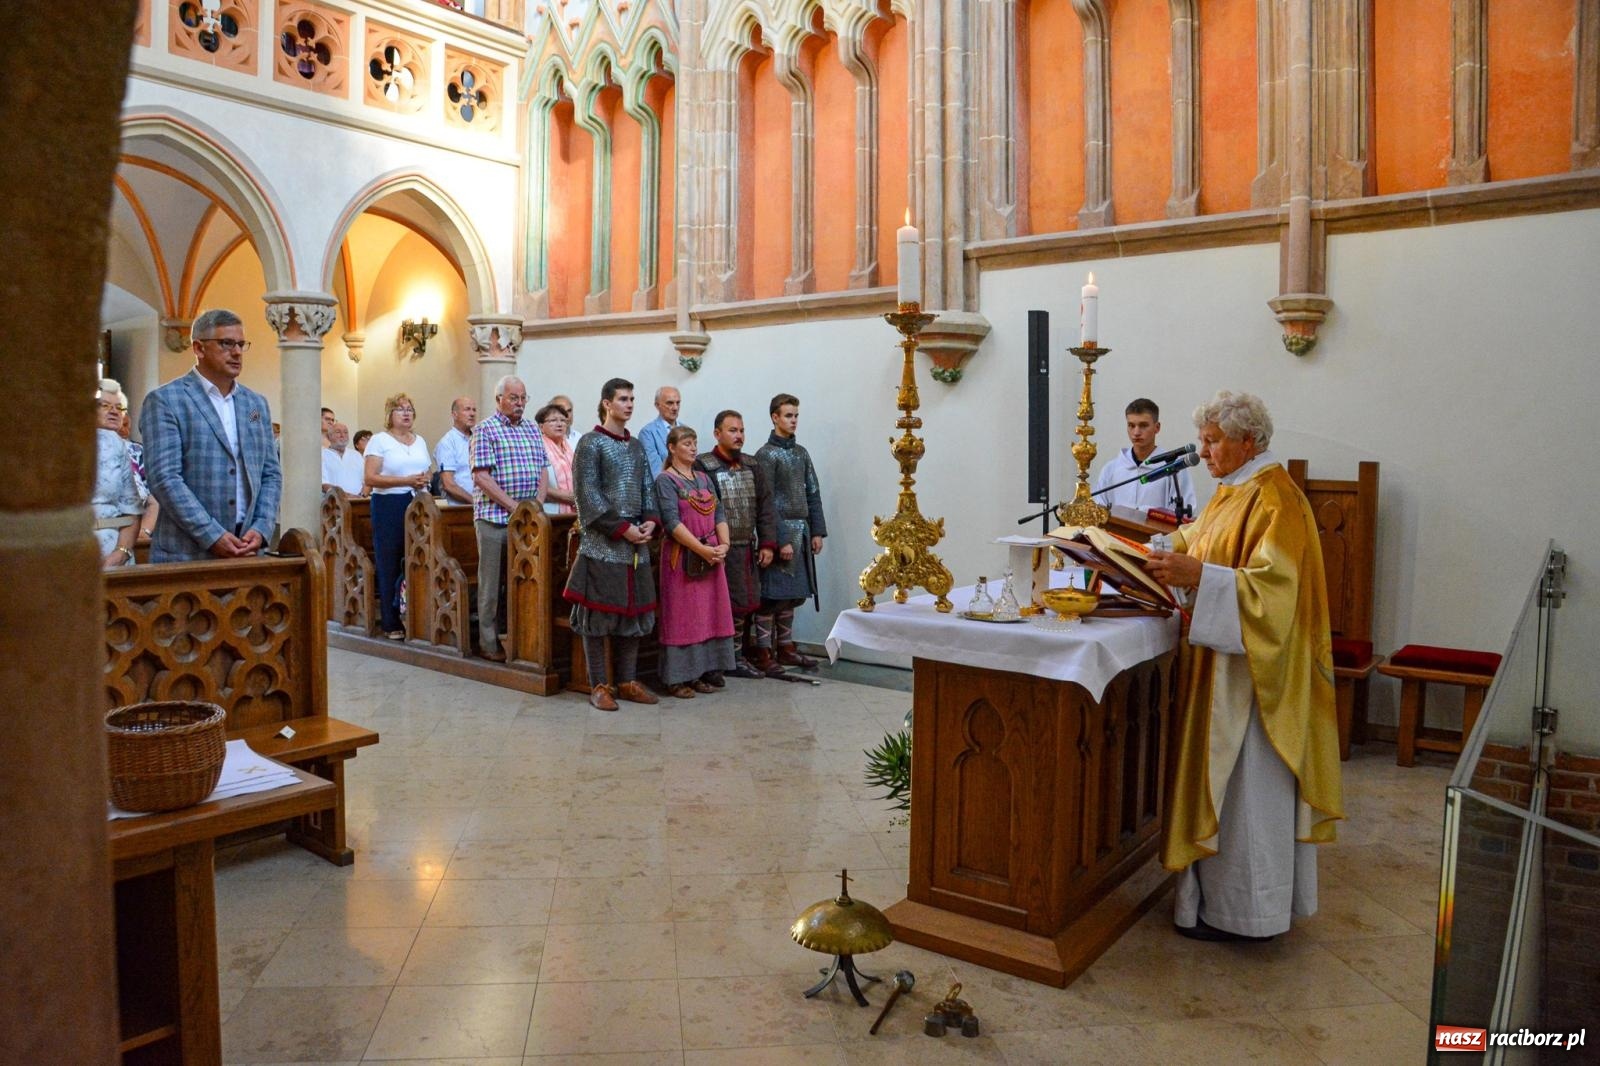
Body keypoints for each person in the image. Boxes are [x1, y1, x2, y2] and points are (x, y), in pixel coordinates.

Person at [1145, 390, 1343, 942]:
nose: (1203, 453)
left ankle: (1249, 915)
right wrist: (1161, 551)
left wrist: (1196, 576)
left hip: (1255, 686)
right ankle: (1208, 903)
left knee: (1248, 799)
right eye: (1203, 441)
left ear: (1248, 441)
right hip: (1220, 673)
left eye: (1213, 441)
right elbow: (1199, 542)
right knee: (1226, 793)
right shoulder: (1232, 492)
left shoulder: (1277, 497)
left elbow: (1275, 594)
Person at [140, 307, 281, 562]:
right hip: (187, 553)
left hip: (248, 549)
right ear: (199, 348)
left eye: (240, 344)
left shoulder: (255, 405)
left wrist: (261, 527)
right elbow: (164, 478)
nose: (237, 352)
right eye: (226, 343)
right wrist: (211, 534)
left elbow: (270, 473)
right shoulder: (166, 401)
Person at [563, 378, 660, 711]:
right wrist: (620, 529)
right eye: (623, 399)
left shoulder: (635, 446)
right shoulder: (590, 444)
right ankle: (599, 684)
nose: (630, 404)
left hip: (635, 544)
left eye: (633, 398)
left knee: (632, 615)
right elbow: (587, 495)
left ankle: (627, 680)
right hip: (603, 543)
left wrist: (649, 520)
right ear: (607, 403)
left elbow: (647, 487)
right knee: (598, 618)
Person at [655, 425, 736, 697]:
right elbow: (671, 521)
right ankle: (678, 678)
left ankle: (702, 672)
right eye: (687, 443)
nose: (692, 448)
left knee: (708, 615)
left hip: (712, 554)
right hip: (683, 557)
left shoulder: (703, 477)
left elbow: (719, 511)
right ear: (672, 448)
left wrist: (723, 545)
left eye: (694, 442)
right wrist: (701, 550)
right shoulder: (665, 480)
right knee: (683, 616)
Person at [470, 376, 547, 662]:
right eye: (514, 398)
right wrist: (515, 507)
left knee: (523, 581)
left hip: (527, 521)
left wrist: (536, 505)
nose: (519, 403)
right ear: (499, 399)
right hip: (494, 519)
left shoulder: (531, 428)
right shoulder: (485, 429)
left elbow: (542, 468)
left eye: (523, 398)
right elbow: (481, 477)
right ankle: (488, 642)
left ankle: (520, 637)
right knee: (491, 583)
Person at [696, 409, 777, 679]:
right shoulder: (703, 465)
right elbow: (705, 509)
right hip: (717, 549)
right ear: (717, 433)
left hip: (746, 546)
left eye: (741, 430)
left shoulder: (753, 465)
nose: (739, 435)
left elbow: (765, 506)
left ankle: (739, 655)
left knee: (746, 602)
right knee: (724, 603)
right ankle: (724, 658)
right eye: (733, 430)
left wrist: (767, 543)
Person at [752, 393, 827, 672]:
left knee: (792, 597)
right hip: (780, 533)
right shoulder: (765, 455)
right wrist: (780, 538)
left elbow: (813, 493)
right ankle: (763, 652)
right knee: (772, 597)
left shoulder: (801, 453)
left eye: (796, 415)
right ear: (775, 417)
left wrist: (817, 531)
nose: (793, 420)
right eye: (788, 415)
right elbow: (766, 502)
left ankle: (785, 647)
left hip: (803, 531)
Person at [363, 393, 430, 639]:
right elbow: (370, 478)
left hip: (418, 501)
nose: (406, 413)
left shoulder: (419, 440)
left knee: (416, 557)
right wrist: (406, 480)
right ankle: (390, 622)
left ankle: (416, 615)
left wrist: (423, 482)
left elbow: (426, 469)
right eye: (400, 409)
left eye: (410, 409)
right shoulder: (380, 441)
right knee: (390, 559)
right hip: (389, 503)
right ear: (389, 415)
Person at [1094, 398, 1196, 517]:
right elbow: (1098, 509)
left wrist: (1145, 512)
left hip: (1156, 535)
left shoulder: (1174, 468)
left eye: (1143, 425)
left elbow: (1184, 514)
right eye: (1131, 425)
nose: (1136, 432)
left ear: (1157, 427)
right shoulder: (1110, 469)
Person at [94, 380, 158, 568]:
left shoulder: (121, 446)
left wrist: (122, 551)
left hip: (117, 544)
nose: (113, 411)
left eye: (118, 407)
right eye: (104, 405)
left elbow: (137, 503)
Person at [434, 395, 478, 505]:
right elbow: (448, 484)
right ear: (454, 414)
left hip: (484, 509)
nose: (472, 414)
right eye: (467, 409)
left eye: (474, 410)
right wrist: (475, 502)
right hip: (459, 510)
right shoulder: (447, 443)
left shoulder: (480, 439)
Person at [536, 403, 576, 514]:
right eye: (553, 420)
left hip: (575, 509)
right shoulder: (537, 447)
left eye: (563, 421)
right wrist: (561, 495)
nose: (559, 424)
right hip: (549, 510)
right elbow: (533, 483)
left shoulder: (570, 446)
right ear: (541, 426)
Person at [637, 385, 681, 480]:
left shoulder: (686, 429)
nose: (675, 407)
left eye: (678, 403)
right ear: (657, 405)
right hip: (666, 487)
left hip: (690, 487)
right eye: (670, 403)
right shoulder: (648, 433)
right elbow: (655, 471)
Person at [320, 421, 365, 495]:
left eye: (346, 432)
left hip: (358, 502)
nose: (342, 435)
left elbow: (365, 481)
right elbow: (324, 484)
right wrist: (347, 496)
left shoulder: (356, 455)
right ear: (329, 436)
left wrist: (362, 496)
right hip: (334, 502)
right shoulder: (322, 455)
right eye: (338, 432)